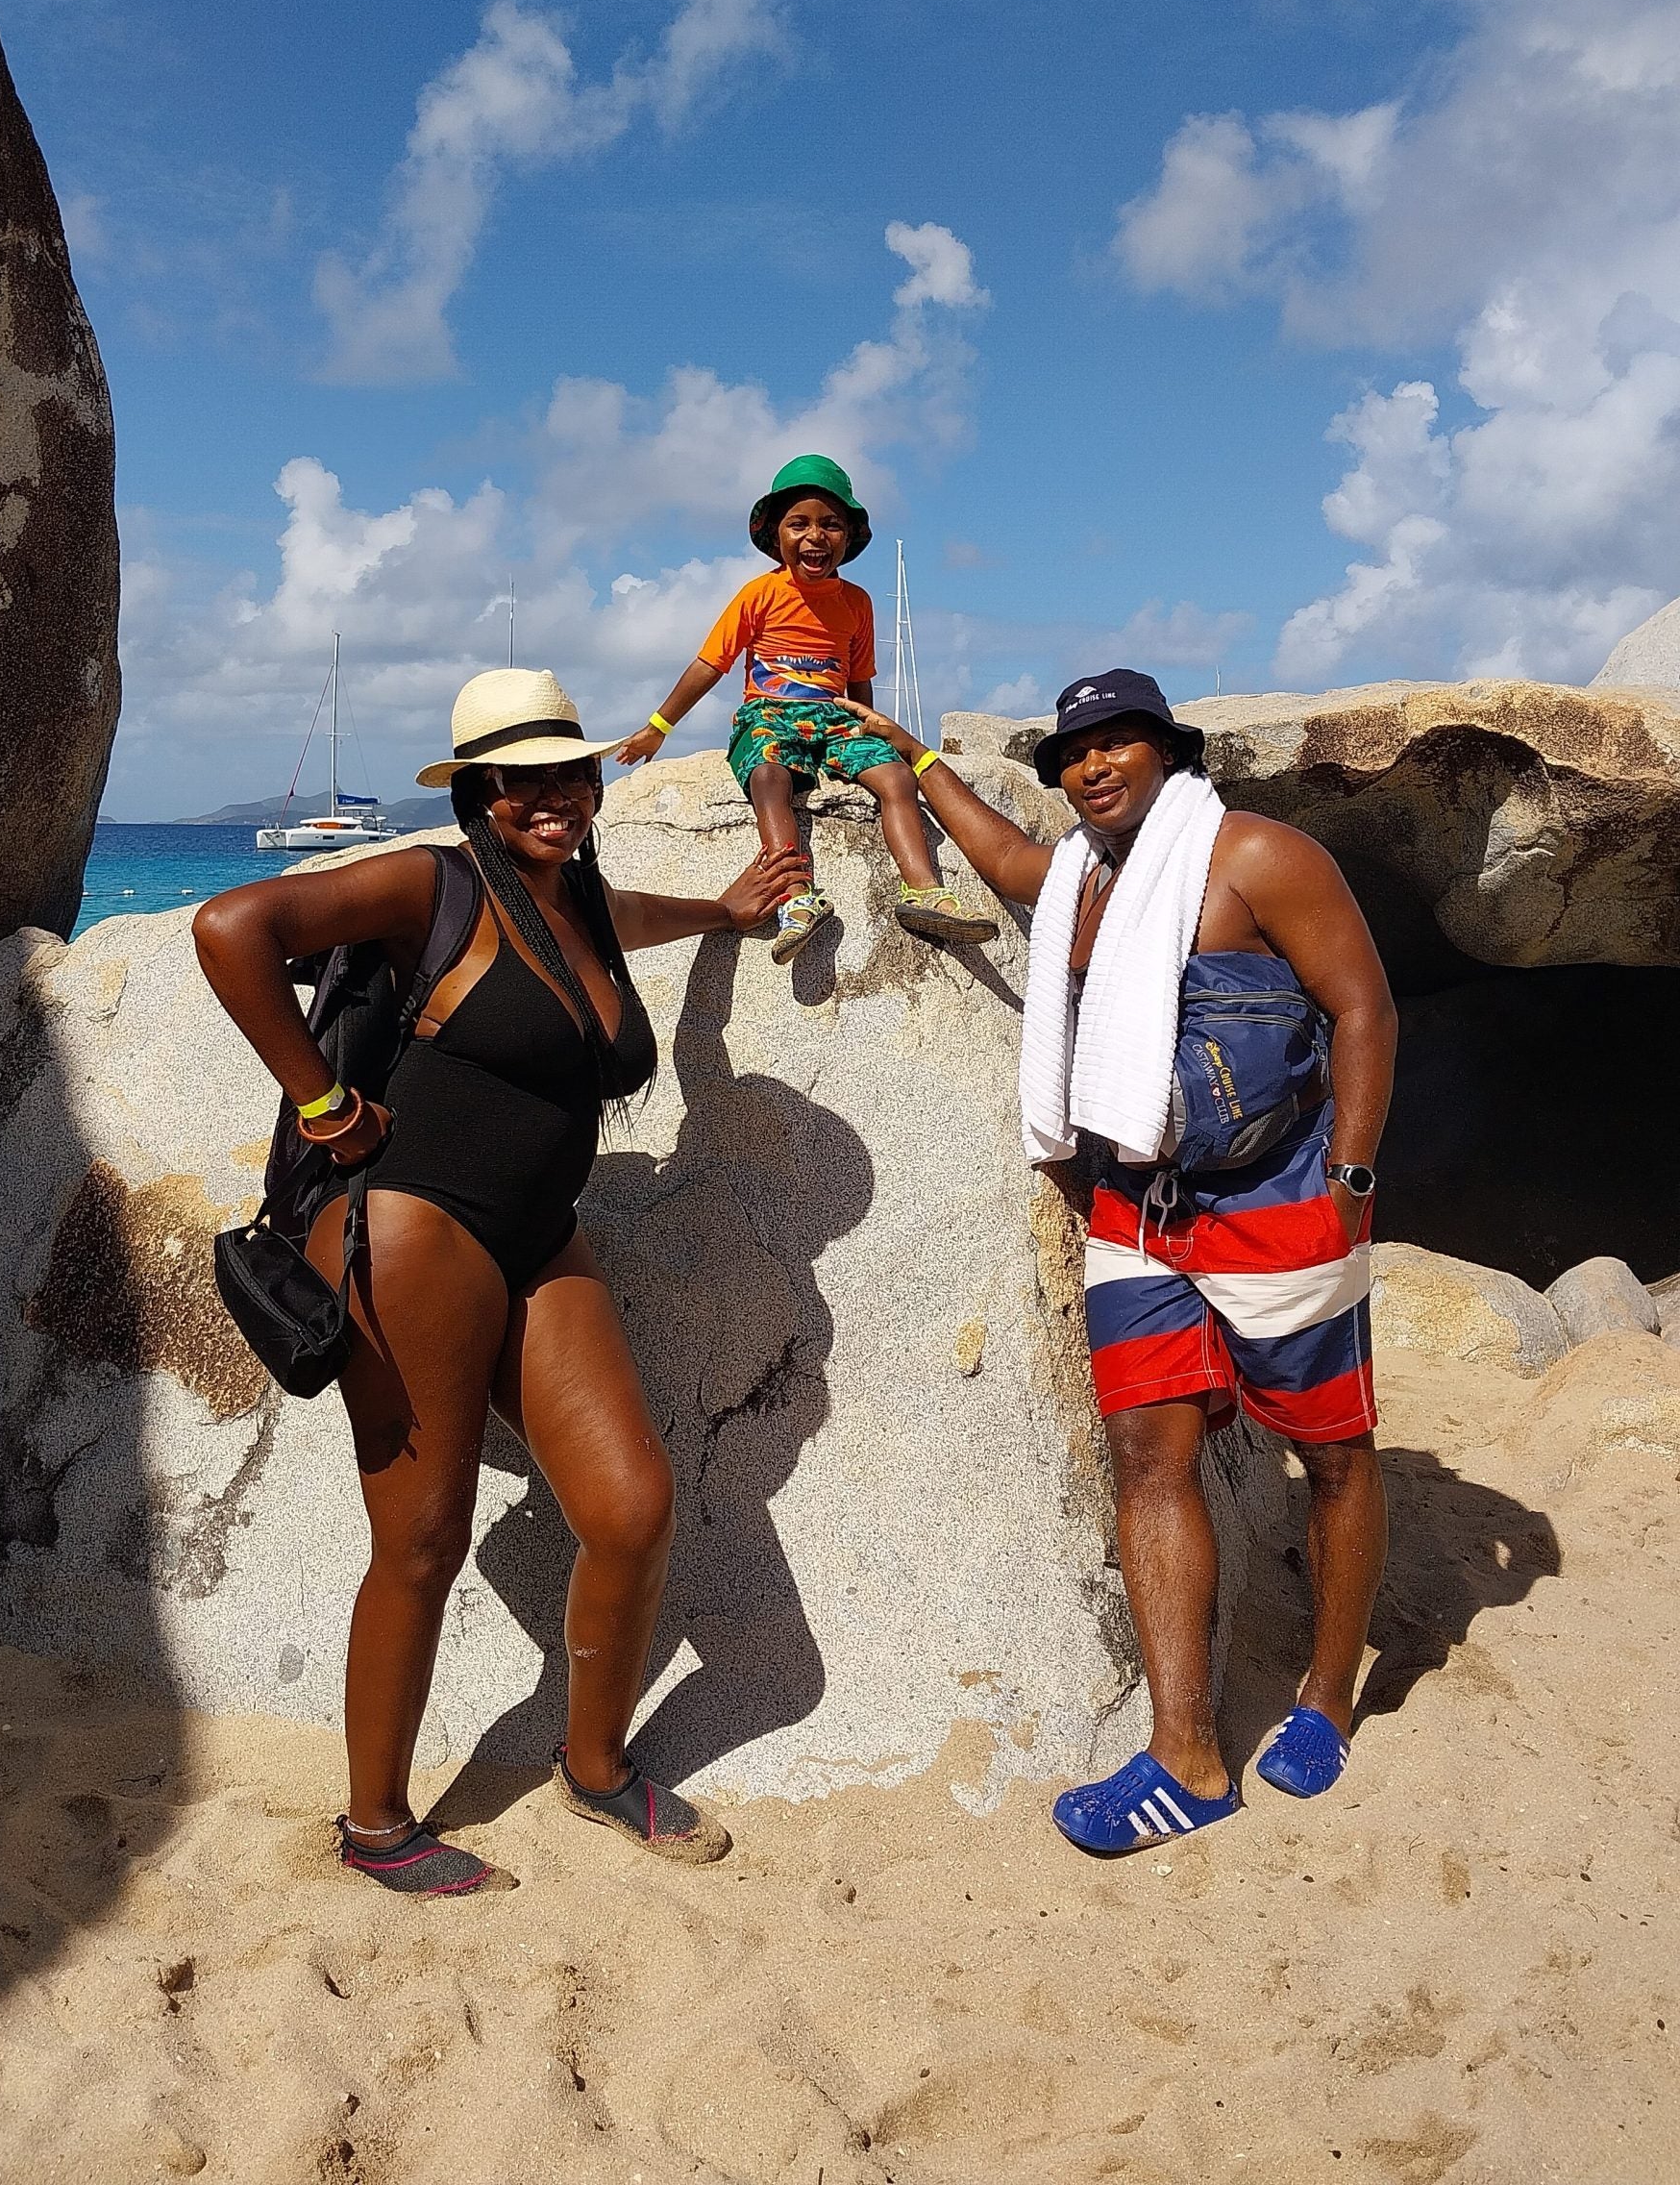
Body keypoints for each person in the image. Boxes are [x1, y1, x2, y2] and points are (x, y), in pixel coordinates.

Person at [194, 668, 806, 1896]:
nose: (552, 796)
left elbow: (623, 920)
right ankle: (377, 1825)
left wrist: (727, 910)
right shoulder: (432, 884)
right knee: (422, 1539)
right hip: (415, 1229)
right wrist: (323, 1102)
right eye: (520, 779)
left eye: (569, 772)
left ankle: (595, 1765)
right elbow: (230, 927)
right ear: (478, 792)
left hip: (539, 1235)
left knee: (630, 1507)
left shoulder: (575, 897)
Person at [834, 670, 1397, 1853]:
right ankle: (1187, 1756)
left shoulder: (1257, 855)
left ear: (1167, 750)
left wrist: (1348, 1181)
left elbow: (1365, 1009)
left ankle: (1328, 1694)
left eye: (1116, 741)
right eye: (1073, 753)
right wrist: (910, 757)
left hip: (1280, 1200)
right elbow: (1005, 861)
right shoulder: (1086, 878)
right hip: (1139, 1206)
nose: (1092, 766)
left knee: (1333, 1454)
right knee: (1148, 1456)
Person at [616, 453, 996, 960]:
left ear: (848, 536)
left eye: (830, 524)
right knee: (768, 778)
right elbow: (710, 664)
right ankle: (796, 898)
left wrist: (870, 730)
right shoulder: (759, 594)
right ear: (776, 536)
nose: (815, 536)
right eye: (799, 524)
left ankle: (923, 892)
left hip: (836, 718)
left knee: (896, 779)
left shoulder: (857, 602)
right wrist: (658, 726)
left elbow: (859, 677)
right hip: (769, 712)